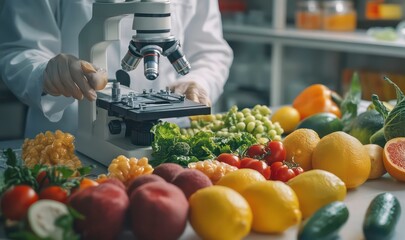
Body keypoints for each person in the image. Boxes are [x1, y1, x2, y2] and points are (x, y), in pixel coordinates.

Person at [0, 0, 233, 138]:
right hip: (69, 138)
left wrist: (197, 81)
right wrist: (45, 73)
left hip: (171, 135)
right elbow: (18, 48)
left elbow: (210, 50)